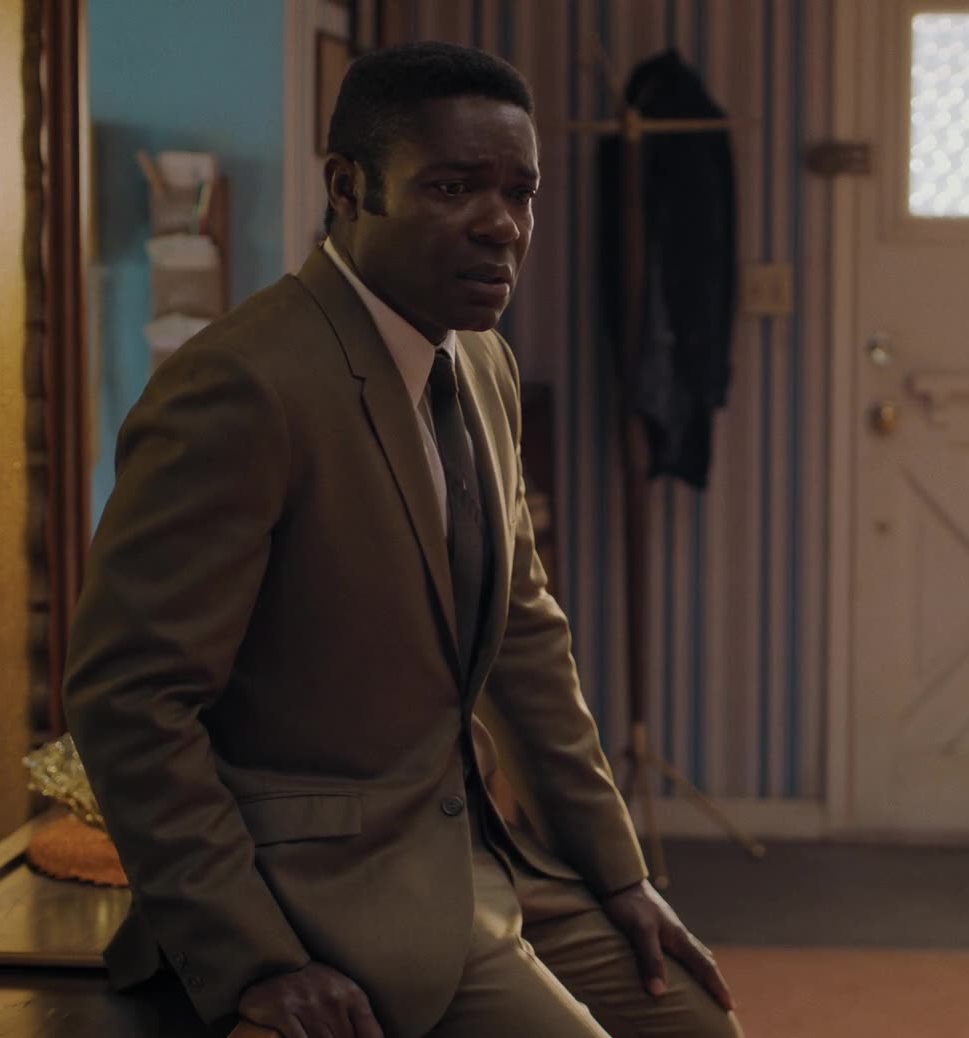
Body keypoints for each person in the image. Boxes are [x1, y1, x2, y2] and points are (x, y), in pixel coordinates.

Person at [63, 41, 741, 1038]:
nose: (502, 225)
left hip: (475, 857)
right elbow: (128, 698)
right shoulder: (243, 387)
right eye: (454, 187)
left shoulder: (485, 366)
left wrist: (620, 875)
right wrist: (253, 958)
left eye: (520, 192)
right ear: (348, 189)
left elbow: (524, 640)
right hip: (317, 890)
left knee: (693, 1021)